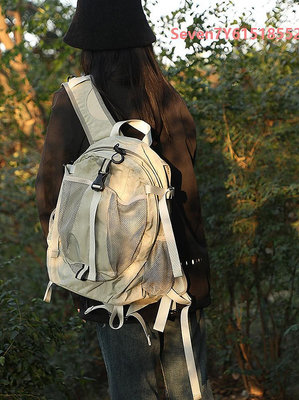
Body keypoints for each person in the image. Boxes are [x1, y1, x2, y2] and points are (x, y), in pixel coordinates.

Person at [35, 1, 214, 399]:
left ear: (89, 47)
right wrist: (196, 279)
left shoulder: (75, 102)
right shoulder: (168, 100)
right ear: (142, 45)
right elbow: (189, 204)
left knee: (132, 391)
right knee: (190, 390)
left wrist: (80, 268)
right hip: (177, 279)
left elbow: (50, 198)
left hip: (109, 284)